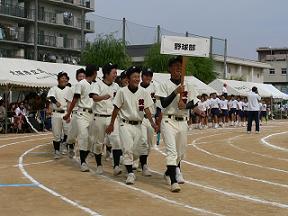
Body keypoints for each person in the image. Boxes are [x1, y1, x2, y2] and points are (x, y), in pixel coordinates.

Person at [156, 56, 203, 192]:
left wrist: (185, 105)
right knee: (171, 151)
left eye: (180, 66)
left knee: (180, 153)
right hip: (168, 120)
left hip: (182, 121)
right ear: (170, 69)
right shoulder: (164, 85)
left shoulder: (188, 85)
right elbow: (163, 103)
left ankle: (168, 173)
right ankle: (173, 182)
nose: (178, 69)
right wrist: (175, 92)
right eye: (176, 66)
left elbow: (194, 102)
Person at [106, 66, 158, 185]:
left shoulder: (143, 92)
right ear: (128, 78)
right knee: (128, 148)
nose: (137, 79)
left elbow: (147, 109)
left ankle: (126, 162)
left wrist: (153, 123)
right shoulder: (122, 91)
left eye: (138, 76)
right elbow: (116, 109)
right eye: (134, 76)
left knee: (137, 150)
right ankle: (130, 173)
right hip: (125, 124)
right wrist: (111, 124)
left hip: (139, 125)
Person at [89, 63, 122, 176]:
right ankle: (99, 165)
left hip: (112, 117)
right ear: (107, 74)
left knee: (116, 141)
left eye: (116, 73)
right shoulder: (97, 84)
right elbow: (94, 97)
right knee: (99, 143)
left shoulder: (116, 86)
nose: (115, 75)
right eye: (114, 73)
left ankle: (116, 166)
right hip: (99, 117)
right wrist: (104, 97)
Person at [64, 64, 98, 172]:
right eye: (96, 72)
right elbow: (74, 99)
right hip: (81, 113)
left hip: (92, 114)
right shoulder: (81, 84)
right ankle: (83, 162)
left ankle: (83, 156)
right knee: (83, 136)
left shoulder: (96, 85)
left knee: (91, 139)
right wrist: (68, 113)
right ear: (93, 73)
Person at [138, 67, 157, 176]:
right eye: (146, 75)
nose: (148, 77)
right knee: (143, 141)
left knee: (149, 144)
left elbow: (158, 104)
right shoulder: (137, 88)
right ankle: (144, 165)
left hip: (152, 118)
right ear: (142, 76)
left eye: (150, 75)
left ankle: (142, 161)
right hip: (140, 118)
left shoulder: (154, 87)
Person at [47, 72, 71, 159]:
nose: (64, 79)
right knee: (56, 133)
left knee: (67, 131)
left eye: (65, 78)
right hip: (56, 113)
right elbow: (51, 97)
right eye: (62, 78)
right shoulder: (54, 88)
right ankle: (56, 151)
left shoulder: (69, 89)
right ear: (58, 79)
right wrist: (55, 102)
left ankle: (64, 144)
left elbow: (70, 102)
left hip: (65, 112)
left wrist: (69, 114)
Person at [65, 68, 86, 158]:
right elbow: (69, 103)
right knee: (72, 135)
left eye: (83, 76)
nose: (81, 78)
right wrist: (68, 114)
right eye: (79, 76)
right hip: (75, 112)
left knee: (83, 134)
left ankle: (84, 154)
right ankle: (70, 146)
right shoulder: (72, 89)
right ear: (77, 78)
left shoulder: (89, 87)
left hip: (85, 114)